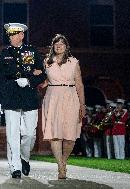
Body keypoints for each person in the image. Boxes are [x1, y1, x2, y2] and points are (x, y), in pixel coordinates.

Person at [0, 23, 47, 179]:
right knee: (12, 134)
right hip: (11, 95)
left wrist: (29, 81)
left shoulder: (32, 51)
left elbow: (42, 74)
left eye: (13, 34)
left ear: (21, 35)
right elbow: (0, 78)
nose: (10, 37)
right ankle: (15, 167)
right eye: (9, 34)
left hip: (29, 95)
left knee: (29, 135)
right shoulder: (5, 53)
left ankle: (25, 158)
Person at [35, 34, 85, 179]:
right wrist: (35, 77)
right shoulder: (47, 62)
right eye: (56, 43)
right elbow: (43, 83)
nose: (59, 46)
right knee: (55, 135)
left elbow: (80, 84)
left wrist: (82, 104)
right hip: (53, 97)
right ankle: (60, 167)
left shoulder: (73, 62)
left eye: (62, 43)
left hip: (71, 97)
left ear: (66, 46)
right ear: (53, 46)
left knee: (70, 137)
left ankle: (64, 161)